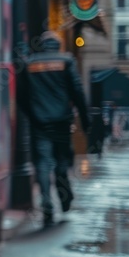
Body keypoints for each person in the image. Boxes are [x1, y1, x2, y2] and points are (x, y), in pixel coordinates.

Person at [17, 32, 91, 227]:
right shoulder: (66, 61)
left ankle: (46, 202)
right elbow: (77, 90)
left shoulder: (30, 63)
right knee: (61, 161)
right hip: (61, 120)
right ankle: (63, 197)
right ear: (57, 46)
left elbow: (21, 96)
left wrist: (32, 114)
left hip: (39, 121)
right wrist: (85, 119)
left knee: (42, 162)